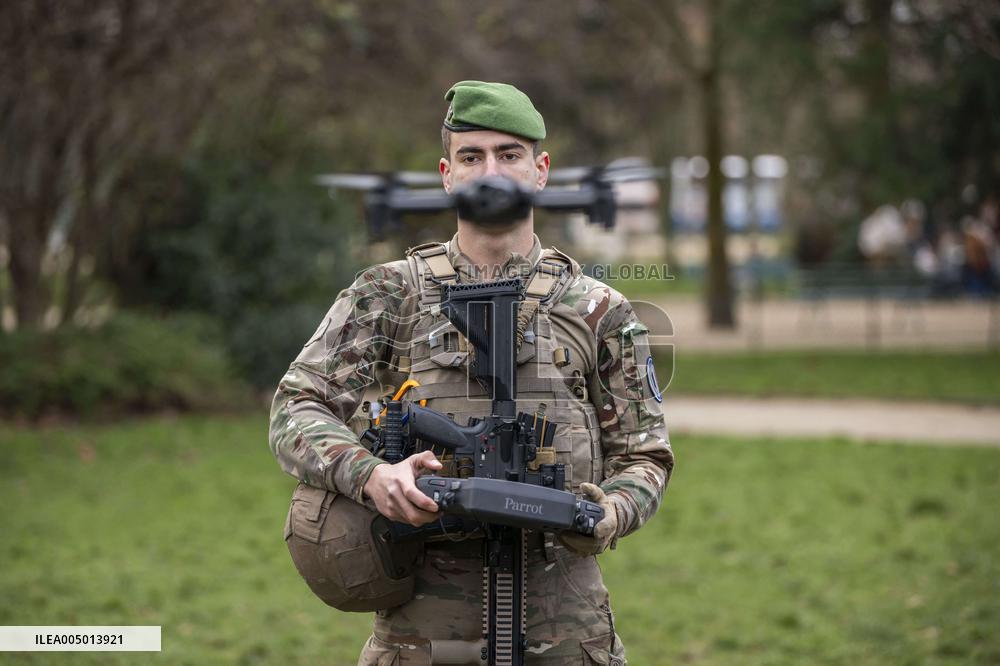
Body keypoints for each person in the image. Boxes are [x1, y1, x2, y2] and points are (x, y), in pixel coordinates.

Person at [269, 80, 674, 665]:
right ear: (446, 173)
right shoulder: (388, 294)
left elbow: (646, 456)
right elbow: (295, 408)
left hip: (565, 629)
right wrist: (373, 477)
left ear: (540, 170)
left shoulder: (599, 310)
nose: (490, 171)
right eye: (471, 156)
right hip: (423, 634)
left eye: (509, 154)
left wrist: (608, 511)